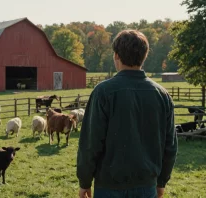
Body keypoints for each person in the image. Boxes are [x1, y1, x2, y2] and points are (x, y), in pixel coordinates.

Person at [76, 30, 178, 198]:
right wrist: (161, 182)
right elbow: (170, 146)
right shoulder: (162, 95)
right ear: (144, 56)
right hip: (146, 185)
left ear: (116, 55)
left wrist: (84, 181)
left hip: (109, 186)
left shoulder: (103, 92)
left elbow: (90, 143)